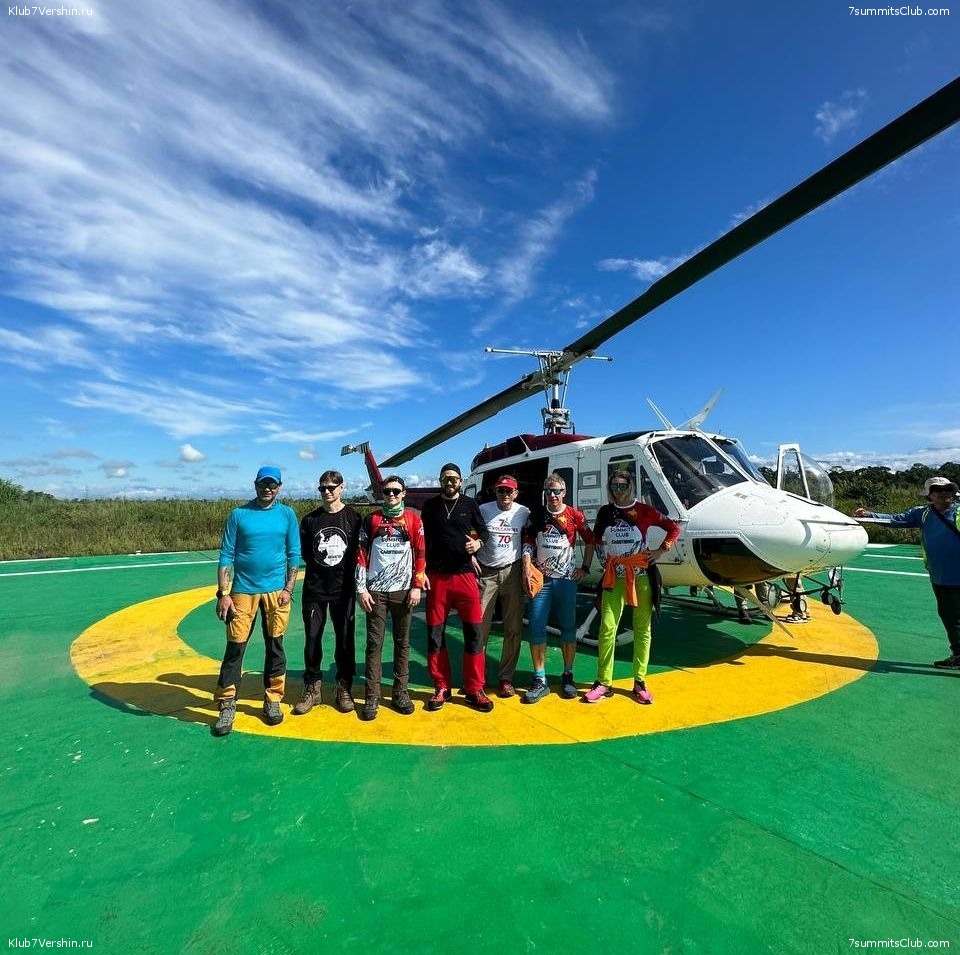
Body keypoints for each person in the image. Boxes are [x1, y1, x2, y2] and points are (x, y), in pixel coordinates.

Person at [212, 466, 301, 737]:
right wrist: (223, 593)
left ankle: (273, 699)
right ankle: (227, 703)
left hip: (276, 592)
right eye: (263, 484)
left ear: (279, 487)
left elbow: (294, 552)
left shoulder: (287, 514)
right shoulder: (239, 514)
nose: (267, 489)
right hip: (242, 592)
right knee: (235, 648)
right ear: (255, 485)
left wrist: (288, 588)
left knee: (275, 646)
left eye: (272, 485)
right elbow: (226, 554)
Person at [584, 470, 681, 704]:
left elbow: (673, 528)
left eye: (622, 486)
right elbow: (596, 539)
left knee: (642, 629)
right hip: (613, 578)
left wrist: (660, 551)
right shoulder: (606, 512)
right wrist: (603, 559)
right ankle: (603, 682)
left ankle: (640, 681)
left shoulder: (645, 511)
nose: (618, 490)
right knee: (607, 628)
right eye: (614, 486)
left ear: (630, 487)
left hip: (641, 577)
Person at [855, 476, 960, 669]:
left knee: (955, 616)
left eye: (948, 489)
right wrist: (869, 515)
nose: (944, 493)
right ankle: (958, 654)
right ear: (929, 496)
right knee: (950, 616)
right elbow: (896, 520)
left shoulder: (959, 512)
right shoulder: (923, 514)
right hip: (940, 576)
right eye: (937, 490)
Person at [420, 462, 493, 712]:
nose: (450, 482)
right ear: (440, 481)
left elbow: (484, 532)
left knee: (474, 633)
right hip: (437, 578)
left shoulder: (470, 505)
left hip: (464, 577)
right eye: (445, 478)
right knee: (435, 634)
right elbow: (422, 540)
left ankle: (474, 688)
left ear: (461, 481)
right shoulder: (430, 506)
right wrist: (421, 571)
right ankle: (442, 686)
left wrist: (478, 545)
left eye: (454, 479)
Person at [520, 472, 597, 704]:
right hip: (542, 581)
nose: (552, 495)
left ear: (564, 492)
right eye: (548, 491)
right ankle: (539, 678)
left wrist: (585, 568)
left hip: (566, 581)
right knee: (536, 627)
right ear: (544, 493)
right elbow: (528, 542)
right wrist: (527, 566)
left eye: (556, 491)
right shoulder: (537, 515)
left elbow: (590, 540)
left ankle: (568, 674)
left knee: (568, 629)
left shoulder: (574, 515)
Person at [355, 476, 426, 720]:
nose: (392, 495)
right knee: (374, 643)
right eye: (387, 491)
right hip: (375, 591)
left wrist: (417, 586)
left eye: (396, 491)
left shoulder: (413, 520)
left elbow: (420, 553)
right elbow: (361, 554)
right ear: (382, 494)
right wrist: (361, 589)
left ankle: (400, 692)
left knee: (402, 642)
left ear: (404, 493)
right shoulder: (371, 519)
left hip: (403, 591)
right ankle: (372, 696)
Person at [294, 470, 361, 716]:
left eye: (331, 487)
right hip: (315, 590)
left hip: (344, 590)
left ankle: (344, 686)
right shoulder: (310, 520)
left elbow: (359, 553)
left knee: (345, 639)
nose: (327, 491)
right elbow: (306, 554)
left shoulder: (354, 518)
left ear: (342, 487)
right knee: (312, 639)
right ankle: (312, 686)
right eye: (322, 487)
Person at [476, 474, 530, 697]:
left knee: (513, 628)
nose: (505, 494)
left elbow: (531, 537)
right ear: (495, 491)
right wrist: (470, 557)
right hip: (486, 572)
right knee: (480, 627)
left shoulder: (523, 512)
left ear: (516, 493)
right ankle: (478, 678)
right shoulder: (483, 510)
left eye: (509, 491)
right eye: (501, 490)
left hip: (512, 572)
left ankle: (506, 678)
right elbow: (470, 533)